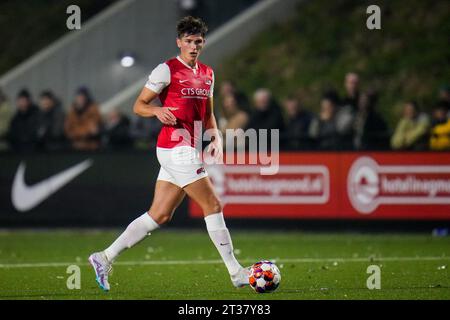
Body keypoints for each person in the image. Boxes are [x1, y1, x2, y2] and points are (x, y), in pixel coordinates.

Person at [88, 16, 249, 292]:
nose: (193, 46)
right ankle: (236, 273)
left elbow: (208, 114)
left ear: (203, 43)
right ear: (179, 42)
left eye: (198, 41)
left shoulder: (208, 73)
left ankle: (103, 257)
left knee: (159, 215)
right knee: (213, 204)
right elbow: (138, 105)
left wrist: (216, 138)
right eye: (188, 41)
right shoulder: (167, 70)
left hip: (188, 147)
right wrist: (156, 110)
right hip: (175, 148)